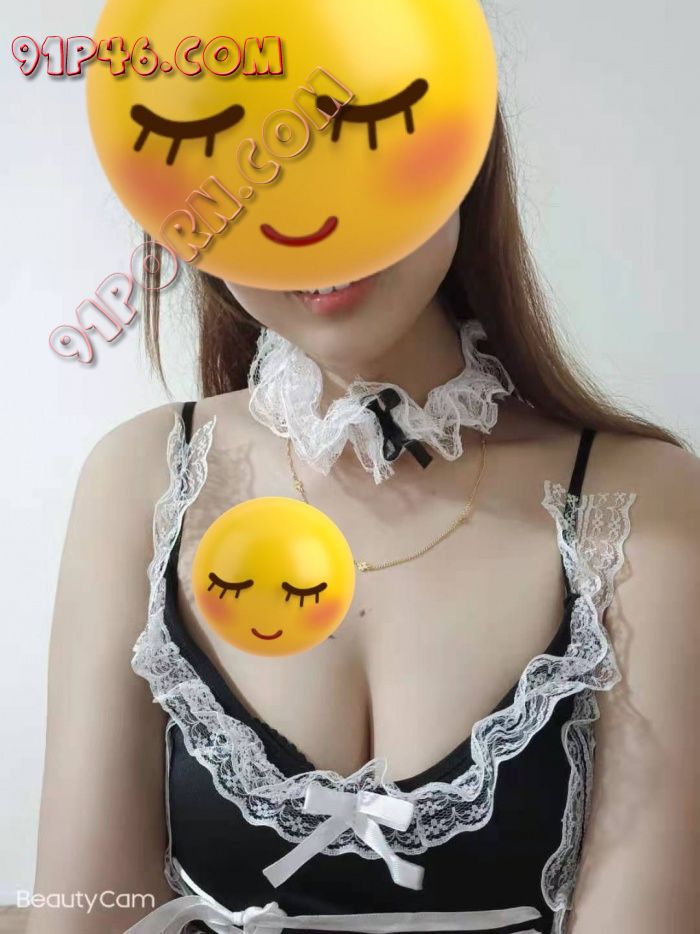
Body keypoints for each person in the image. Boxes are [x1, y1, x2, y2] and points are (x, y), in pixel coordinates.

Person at [28, 105, 698, 934]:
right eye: (245, 161)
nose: (311, 219)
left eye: (368, 128)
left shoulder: (640, 504)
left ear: (461, 147)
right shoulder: (144, 478)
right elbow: (87, 914)